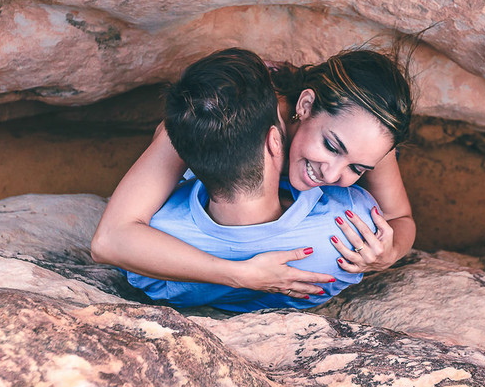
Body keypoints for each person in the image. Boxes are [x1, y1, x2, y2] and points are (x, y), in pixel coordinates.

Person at [90, 44, 414, 301]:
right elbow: (109, 240)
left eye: (358, 168)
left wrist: (389, 252)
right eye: (331, 146)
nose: (332, 174)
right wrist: (240, 274)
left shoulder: (367, 137)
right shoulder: (235, 115)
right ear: (304, 106)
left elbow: (400, 217)